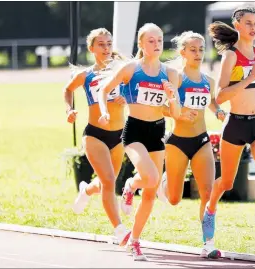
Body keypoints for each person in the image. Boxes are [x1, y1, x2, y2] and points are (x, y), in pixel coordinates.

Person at [206, 6, 255, 259]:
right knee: (227, 183)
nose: (254, 27)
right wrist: (248, 77)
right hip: (236, 124)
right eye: (249, 23)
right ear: (237, 25)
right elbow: (221, 96)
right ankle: (210, 208)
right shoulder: (230, 56)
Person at [98, 23, 181, 261]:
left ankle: (134, 240)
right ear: (141, 44)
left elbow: (174, 113)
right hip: (134, 131)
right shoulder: (131, 69)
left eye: (160, 40)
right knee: (152, 178)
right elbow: (104, 90)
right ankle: (131, 185)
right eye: (151, 41)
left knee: (151, 191)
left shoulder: (171, 74)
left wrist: (172, 96)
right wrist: (105, 111)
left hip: (157, 132)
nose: (157, 45)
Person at [154, 31, 226, 259]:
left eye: (201, 49)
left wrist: (220, 111)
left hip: (202, 141)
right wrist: (179, 113)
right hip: (177, 143)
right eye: (193, 50)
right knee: (174, 199)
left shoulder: (209, 80)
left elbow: (212, 102)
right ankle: (162, 182)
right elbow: (160, 107)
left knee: (207, 191)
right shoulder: (176, 78)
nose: (198, 54)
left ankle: (208, 243)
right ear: (182, 52)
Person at [64, 28, 131, 248]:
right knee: (110, 182)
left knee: (105, 183)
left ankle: (87, 189)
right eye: (101, 44)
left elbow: (135, 92)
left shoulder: (122, 71)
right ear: (91, 48)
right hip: (94, 134)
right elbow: (68, 90)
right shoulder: (85, 75)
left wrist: (126, 98)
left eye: (109, 44)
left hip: (119, 135)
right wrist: (69, 110)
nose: (106, 48)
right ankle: (120, 230)